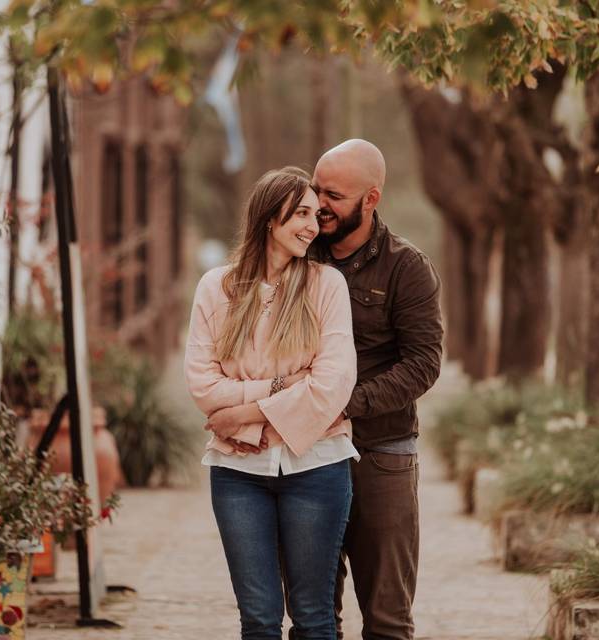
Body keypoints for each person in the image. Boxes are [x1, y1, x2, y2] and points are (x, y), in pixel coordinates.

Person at [184, 166, 359, 640]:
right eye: (301, 213)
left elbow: (333, 383)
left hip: (318, 468)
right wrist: (282, 389)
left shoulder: (327, 286)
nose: (312, 225)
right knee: (258, 621)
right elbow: (203, 386)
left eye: (315, 214)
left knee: (313, 617)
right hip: (238, 475)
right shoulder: (216, 288)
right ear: (269, 219)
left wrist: (240, 413)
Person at [311, 139, 444, 640]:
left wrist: (345, 405)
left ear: (371, 199)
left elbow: (423, 365)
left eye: (334, 195)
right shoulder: (298, 257)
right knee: (314, 617)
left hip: (382, 453)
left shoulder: (407, 268)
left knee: (387, 620)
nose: (320, 203)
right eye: (316, 189)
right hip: (310, 452)